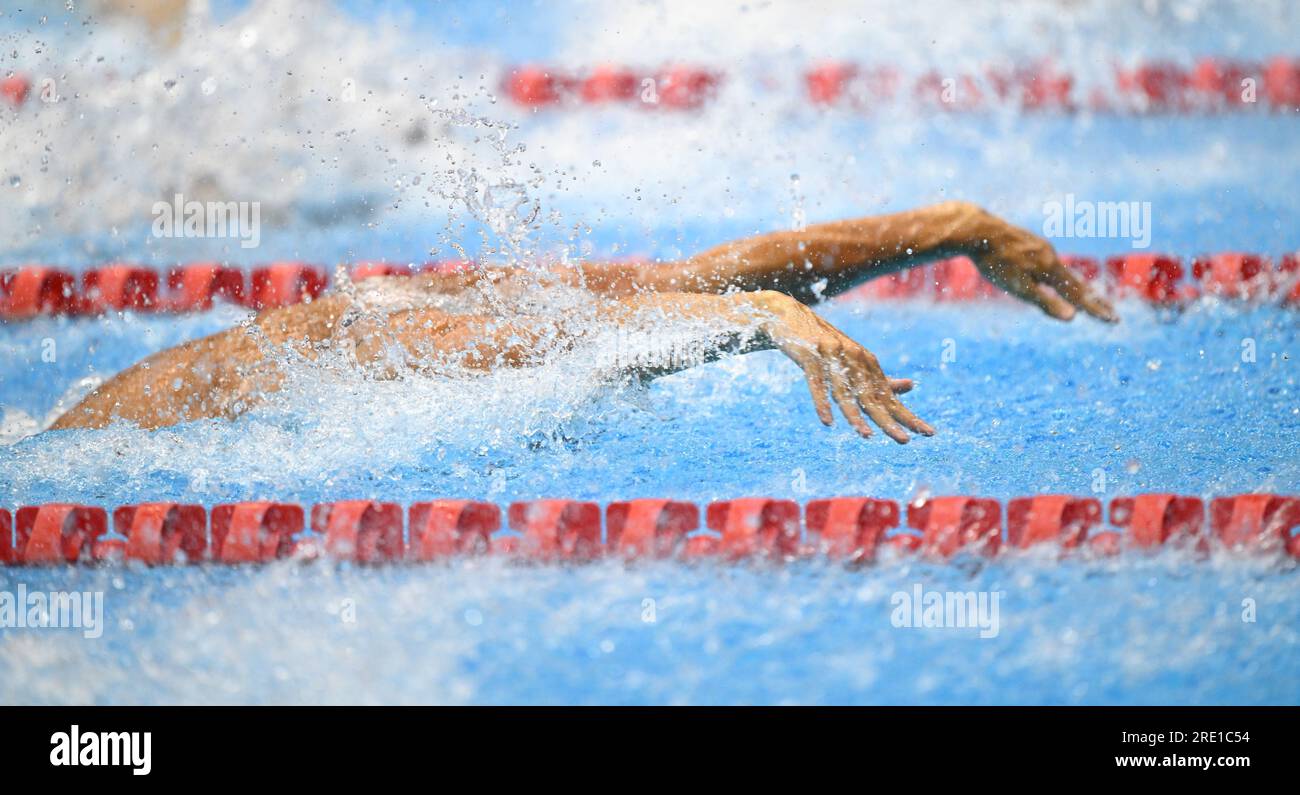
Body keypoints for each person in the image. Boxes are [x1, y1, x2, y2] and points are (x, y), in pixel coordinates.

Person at [49, 202, 1116, 442]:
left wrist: (952, 225)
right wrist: (763, 320)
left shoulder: (515, 303)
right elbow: (717, 295)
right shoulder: (406, 340)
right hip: (98, 457)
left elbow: (704, 275)